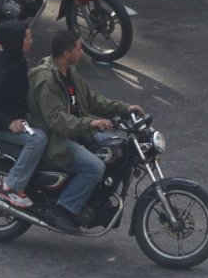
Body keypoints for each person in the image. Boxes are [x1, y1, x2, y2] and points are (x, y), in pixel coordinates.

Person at [27, 30, 144, 233]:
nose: (82, 51)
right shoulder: (47, 80)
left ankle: (96, 200)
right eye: (79, 48)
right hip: (57, 139)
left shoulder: (69, 71)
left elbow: (91, 99)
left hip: (76, 131)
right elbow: (56, 120)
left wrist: (124, 108)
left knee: (117, 148)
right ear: (66, 53)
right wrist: (91, 123)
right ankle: (63, 209)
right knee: (94, 167)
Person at [0, 21, 47, 208]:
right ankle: (11, 188)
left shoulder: (17, 60)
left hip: (16, 119)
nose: (31, 41)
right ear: (16, 41)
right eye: (27, 37)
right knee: (38, 139)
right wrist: (8, 123)